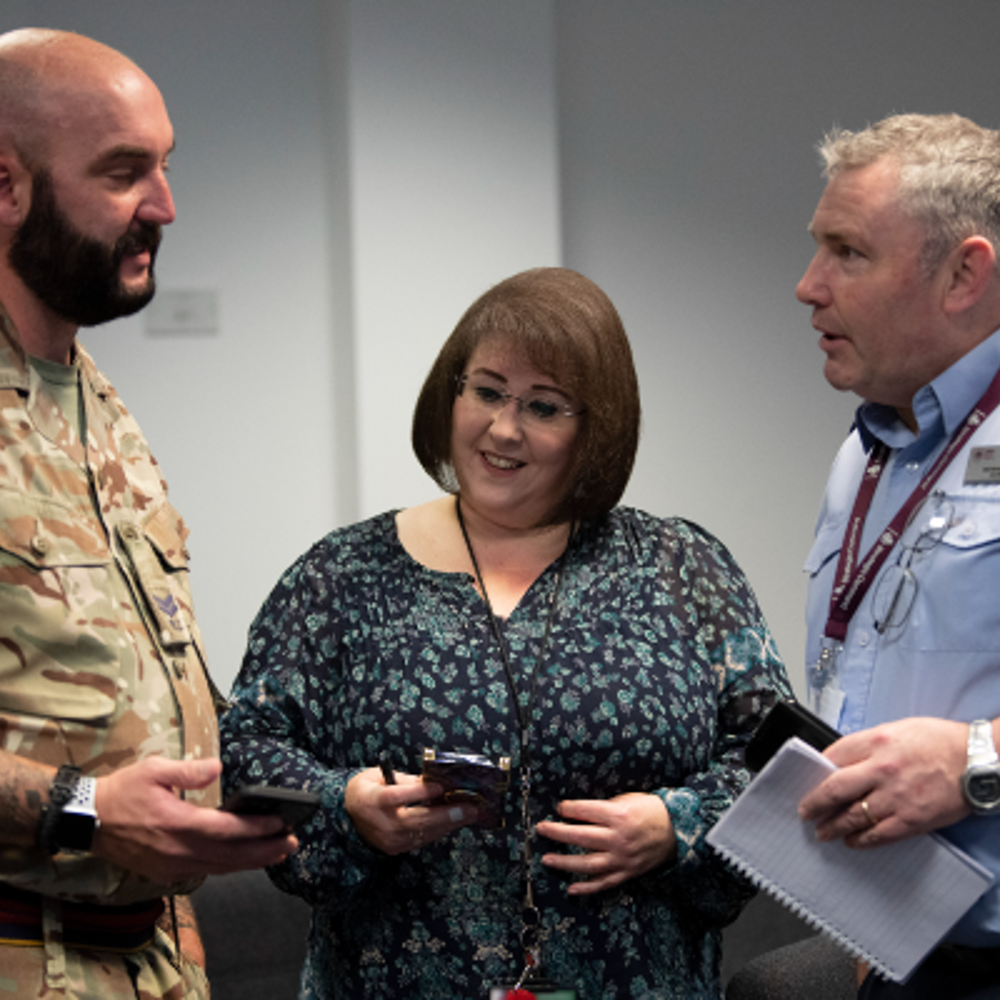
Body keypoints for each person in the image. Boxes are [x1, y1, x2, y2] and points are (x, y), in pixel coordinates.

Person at [220, 266, 792, 999]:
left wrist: (674, 824)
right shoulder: (342, 575)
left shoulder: (683, 570)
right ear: (449, 392)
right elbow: (245, 751)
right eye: (486, 391)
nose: (503, 428)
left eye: (545, 407)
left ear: (599, 428)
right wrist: (347, 804)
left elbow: (779, 764)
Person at [0, 27, 297, 1000]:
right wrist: (82, 809)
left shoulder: (95, 400)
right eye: (125, 171)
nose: (165, 207)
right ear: (6, 186)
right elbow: (89, 794)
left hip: (149, 954)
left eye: (165, 167)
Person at [795, 114, 1000, 998]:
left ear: (965, 273)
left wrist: (977, 761)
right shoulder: (869, 449)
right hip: (897, 958)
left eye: (848, 252)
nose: (808, 286)